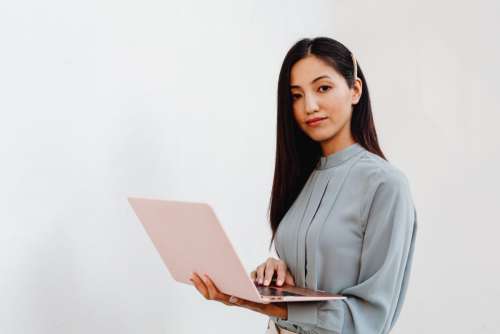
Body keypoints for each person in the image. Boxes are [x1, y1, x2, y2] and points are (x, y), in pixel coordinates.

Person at [190, 36, 417, 334]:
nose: (309, 106)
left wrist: (266, 305)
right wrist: (276, 277)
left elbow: (371, 319)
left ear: (355, 90)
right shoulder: (301, 177)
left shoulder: (386, 186)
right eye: (296, 95)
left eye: (323, 88)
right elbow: (308, 277)